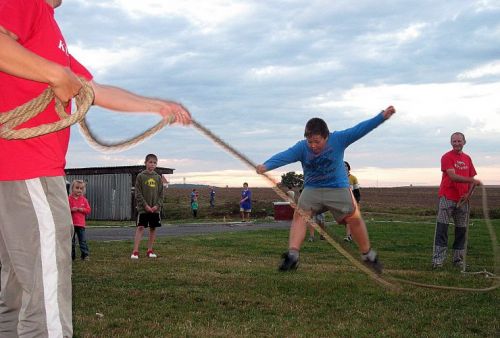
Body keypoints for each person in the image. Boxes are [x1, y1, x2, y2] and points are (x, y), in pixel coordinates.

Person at [0, 1, 189, 336]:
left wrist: (156, 106)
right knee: (45, 297)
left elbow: (92, 90)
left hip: (16, 177)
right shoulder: (24, 2)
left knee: (16, 291)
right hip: (28, 171)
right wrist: (55, 75)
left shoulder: (50, 29)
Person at [256, 106, 396, 273]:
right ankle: (293, 255)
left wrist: (381, 117)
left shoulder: (339, 139)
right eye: (310, 142)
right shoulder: (302, 147)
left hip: (337, 188)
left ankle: (368, 255)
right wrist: (266, 166)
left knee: (353, 218)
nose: (313, 145)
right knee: (300, 215)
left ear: (326, 136)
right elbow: (284, 156)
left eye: (317, 141)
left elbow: (361, 129)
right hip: (312, 189)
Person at [432, 132, 481, 269]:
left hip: (463, 200)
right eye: (454, 141)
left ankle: (458, 260)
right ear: (451, 143)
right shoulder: (446, 157)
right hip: (447, 197)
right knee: (442, 229)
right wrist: (471, 180)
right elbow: (453, 176)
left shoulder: (467, 158)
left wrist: (468, 195)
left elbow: (472, 177)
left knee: (461, 231)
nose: (457, 143)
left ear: (464, 142)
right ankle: (438, 261)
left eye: (459, 141)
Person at [131, 154, 164, 259]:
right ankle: (135, 251)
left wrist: (156, 206)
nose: (152, 164)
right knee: (140, 227)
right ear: (145, 163)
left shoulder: (158, 178)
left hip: (155, 209)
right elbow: (138, 193)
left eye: (154, 162)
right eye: (150, 162)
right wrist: (145, 205)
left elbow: (161, 194)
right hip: (143, 209)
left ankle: (150, 250)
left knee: (153, 228)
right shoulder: (140, 176)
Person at [69, 179, 91, 261]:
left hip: (81, 224)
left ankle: (85, 255)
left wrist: (82, 210)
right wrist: (71, 209)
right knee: (71, 241)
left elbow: (88, 210)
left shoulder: (84, 200)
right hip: (71, 224)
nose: (79, 190)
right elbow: (65, 210)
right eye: (77, 188)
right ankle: (72, 256)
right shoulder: (69, 199)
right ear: (72, 188)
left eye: (81, 188)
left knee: (83, 241)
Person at [343, 161, 361, 242]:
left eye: (346, 166)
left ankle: (348, 236)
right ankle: (350, 234)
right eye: (342, 166)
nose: (344, 167)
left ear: (348, 168)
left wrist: (357, 202)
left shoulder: (353, 178)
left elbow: (357, 192)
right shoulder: (338, 178)